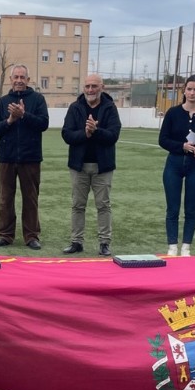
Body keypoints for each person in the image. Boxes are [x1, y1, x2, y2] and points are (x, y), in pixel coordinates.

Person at [0, 64, 49, 249]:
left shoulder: (38, 99)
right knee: (5, 198)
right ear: (10, 79)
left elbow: (43, 124)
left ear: (28, 80)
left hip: (30, 158)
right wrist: (9, 120)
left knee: (30, 198)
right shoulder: (2, 102)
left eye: (22, 77)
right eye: (16, 77)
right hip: (6, 158)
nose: (19, 80)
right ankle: (5, 235)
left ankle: (31, 236)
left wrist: (24, 115)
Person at [60, 73, 120, 256]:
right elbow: (66, 134)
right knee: (78, 205)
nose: (90, 90)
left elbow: (113, 136)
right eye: (87, 86)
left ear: (102, 87)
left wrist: (96, 131)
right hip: (79, 166)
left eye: (94, 86)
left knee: (103, 205)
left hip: (103, 167)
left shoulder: (110, 108)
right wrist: (85, 134)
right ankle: (76, 242)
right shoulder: (75, 107)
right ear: (83, 88)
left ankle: (104, 242)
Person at [158, 74, 195, 256]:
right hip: (174, 164)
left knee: (191, 208)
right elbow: (163, 139)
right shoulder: (173, 113)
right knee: (172, 207)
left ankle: (186, 247)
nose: (192, 93)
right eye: (189, 89)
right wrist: (181, 146)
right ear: (184, 90)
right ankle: (172, 246)